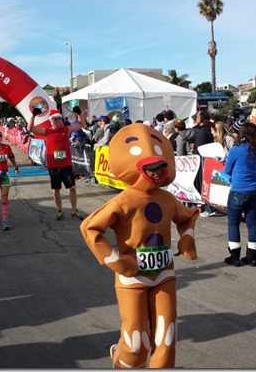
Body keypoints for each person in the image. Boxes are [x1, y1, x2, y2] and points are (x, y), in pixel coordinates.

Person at [80, 123, 200, 368]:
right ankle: (122, 360)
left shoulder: (167, 199)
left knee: (166, 337)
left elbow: (187, 217)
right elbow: (90, 228)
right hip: (132, 279)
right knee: (135, 343)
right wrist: (116, 261)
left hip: (164, 274)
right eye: (151, 168)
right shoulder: (123, 201)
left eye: (160, 166)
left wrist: (187, 238)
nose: (157, 173)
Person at [28, 107, 86, 220]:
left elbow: (81, 124)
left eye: (59, 118)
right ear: (51, 121)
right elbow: (30, 128)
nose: (58, 120)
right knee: (56, 189)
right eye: (55, 119)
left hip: (66, 165)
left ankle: (74, 210)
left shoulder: (66, 129)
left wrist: (79, 113)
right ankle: (59, 210)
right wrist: (33, 115)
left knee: (72, 188)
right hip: (53, 166)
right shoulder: (47, 131)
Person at [223, 122, 256, 267]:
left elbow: (227, 170)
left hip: (239, 190)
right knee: (253, 223)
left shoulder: (236, 149)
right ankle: (252, 257)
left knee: (233, 223)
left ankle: (234, 257)